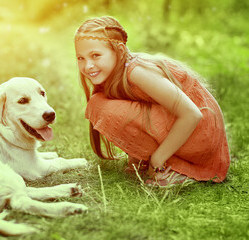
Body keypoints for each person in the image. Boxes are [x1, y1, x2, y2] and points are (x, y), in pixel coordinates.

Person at [74, 16, 230, 186]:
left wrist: (157, 159)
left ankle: (173, 167)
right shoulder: (118, 73)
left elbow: (192, 114)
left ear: (119, 51)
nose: (88, 66)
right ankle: (161, 160)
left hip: (201, 134)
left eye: (95, 55)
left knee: (103, 108)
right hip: (189, 129)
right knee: (99, 103)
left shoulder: (137, 72)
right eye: (81, 58)